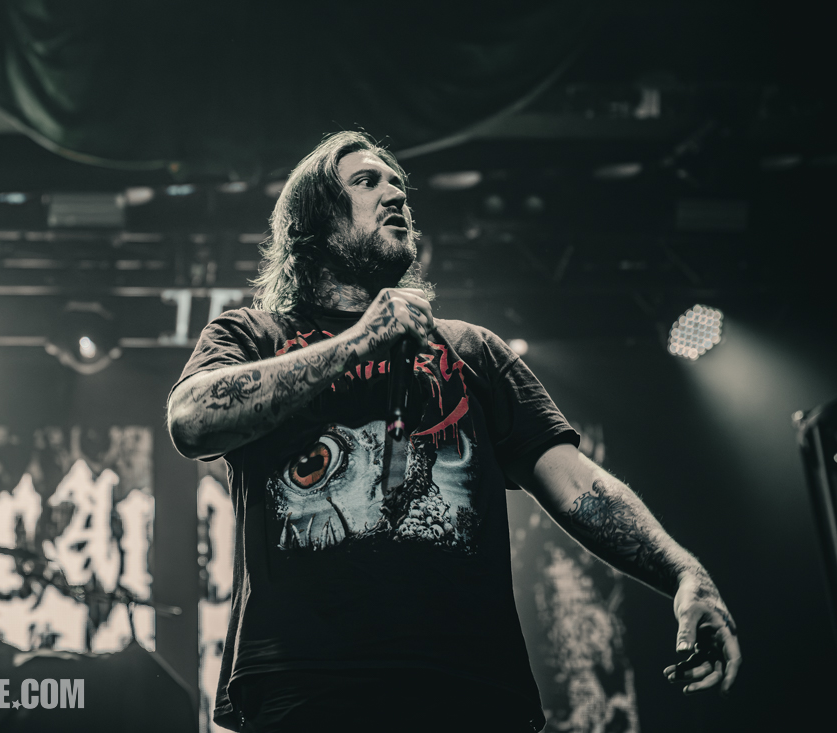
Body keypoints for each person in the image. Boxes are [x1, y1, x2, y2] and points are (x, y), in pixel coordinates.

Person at [167, 131, 741, 732]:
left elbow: (579, 486)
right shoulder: (254, 337)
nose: (394, 194)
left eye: (398, 185)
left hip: (471, 691)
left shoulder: (472, 351)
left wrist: (683, 574)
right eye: (367, 182)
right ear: (316, 223)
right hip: (306, 688)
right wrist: (362, 340)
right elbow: (191, 421)